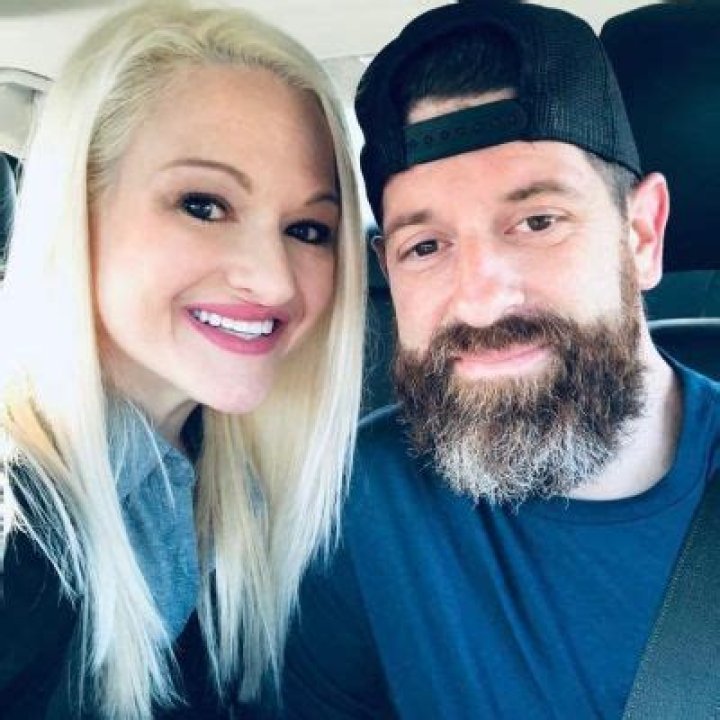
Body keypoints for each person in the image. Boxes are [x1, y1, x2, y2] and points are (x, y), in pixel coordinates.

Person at [281, 2, 720, 718]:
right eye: (425, 246)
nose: (481, 302)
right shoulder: (347, 514)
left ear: (641, 234)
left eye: (538, 221)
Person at [0, 1, 365, 718]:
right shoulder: (20, 526)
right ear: (77, 205)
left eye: (307, 229)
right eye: (203, 205)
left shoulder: (236, 485)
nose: (275, 281)